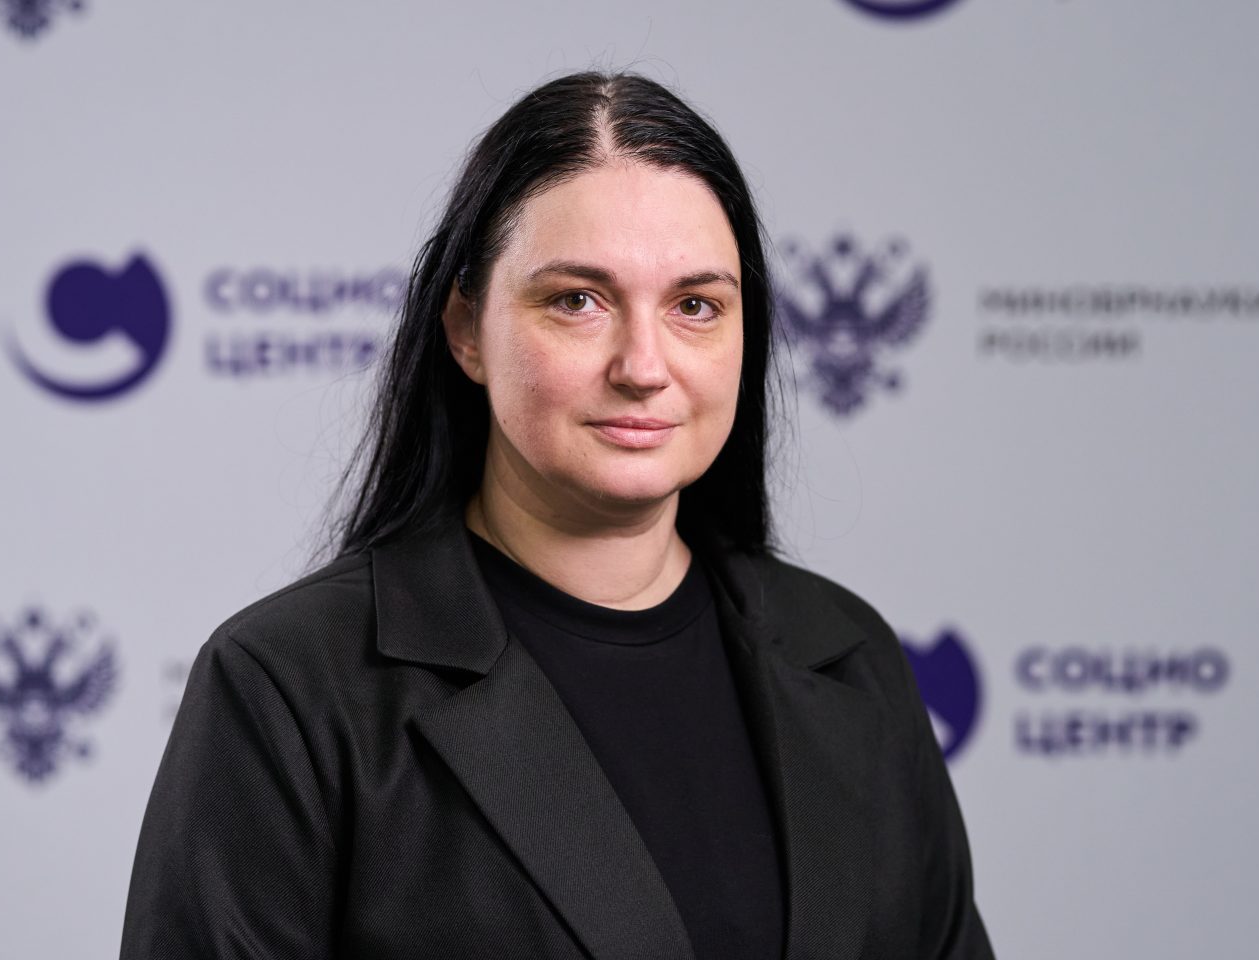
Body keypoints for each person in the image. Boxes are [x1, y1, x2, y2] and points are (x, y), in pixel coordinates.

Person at [120, 71, 994, 960]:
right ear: (466, 329)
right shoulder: (288, 685)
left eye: (695, 306)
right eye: (577, 300)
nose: (642, 366)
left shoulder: (849, 657)